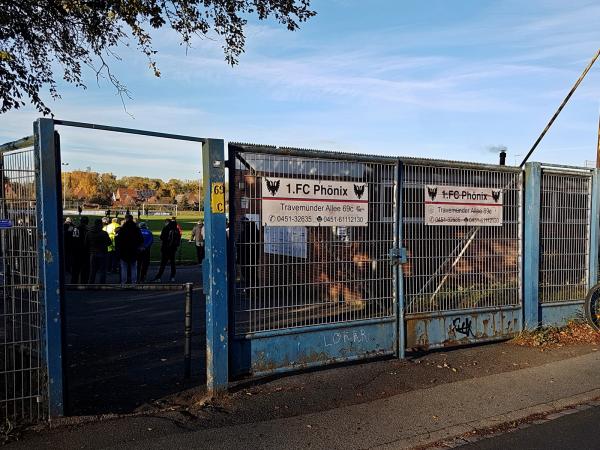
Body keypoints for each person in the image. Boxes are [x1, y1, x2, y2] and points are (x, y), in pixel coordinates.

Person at [115, 214, 143, 285]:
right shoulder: (136, 229)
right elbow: (141, 239)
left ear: (125, 219)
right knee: (133, 267)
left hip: (124, 250)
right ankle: (134, 283)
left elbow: (118, 240)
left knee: (124, 267)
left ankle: (123, 283)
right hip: (133, 250)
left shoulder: (122, 229)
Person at [85, 218, 111, 283]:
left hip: (93, 253)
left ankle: (91, 284)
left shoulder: (89, 233)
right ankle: (102, 284)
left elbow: (86, 243)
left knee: (92, 271)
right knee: (103, 271)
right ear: (101, 224)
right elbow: (109, 242)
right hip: (103, 253)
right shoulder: (104, 233)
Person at [71, 216, 89, 283]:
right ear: (87, 222)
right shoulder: (88, 229)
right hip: (84, 252)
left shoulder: (75, 228)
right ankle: (83, 283)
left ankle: (73, 284)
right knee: (84, 270)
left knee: (75, 270)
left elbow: (72, 239)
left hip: (75, 251)